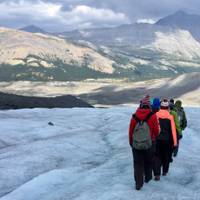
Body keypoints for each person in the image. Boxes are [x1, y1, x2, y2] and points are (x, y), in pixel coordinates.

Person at [129, 95, 160, 190]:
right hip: (148, 144)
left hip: (136, 145)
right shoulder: (153, 116)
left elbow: (131, 131)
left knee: (138, 163)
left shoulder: (134, 116)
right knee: (148, 162)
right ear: (149, 106)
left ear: (141, 105)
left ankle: (138, 183)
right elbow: (156, 131)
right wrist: (153, 138)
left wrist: (131, 143)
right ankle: (147, 178)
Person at [153, 99, 177, 180]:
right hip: (167, 140)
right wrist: (175, 143)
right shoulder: (170, 117)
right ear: (167, 107)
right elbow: (173, 131)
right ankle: (165, 171)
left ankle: (157, 174)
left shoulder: (156, 115)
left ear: (160, 106)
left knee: (157, 156)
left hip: (157, 139)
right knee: (166, 156)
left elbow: (153, 128)